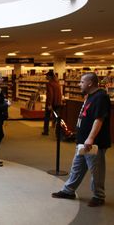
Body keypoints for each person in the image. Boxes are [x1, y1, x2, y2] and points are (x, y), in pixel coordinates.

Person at [52, 72, 111, 207]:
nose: (79, 84)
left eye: (81, 82)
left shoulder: (101, 97)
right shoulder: (90, 96)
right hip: (82, 141)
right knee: (77, 167)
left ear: (90, 83)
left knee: (96, 170)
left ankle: (98, 196)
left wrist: (90, 138)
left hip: (94, 143)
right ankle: (69, 191)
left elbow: (99, 119)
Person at [42, 71, 62, 135]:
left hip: (51, 103)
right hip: (58, 102)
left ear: (50, 76)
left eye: (47, 76)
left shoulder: (49, 84)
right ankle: (59, 132)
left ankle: (46, 131)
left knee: (47, 117)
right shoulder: (57, 83)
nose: (46, 77)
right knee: (57, 118)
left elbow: (50, 94)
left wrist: (50, 104)